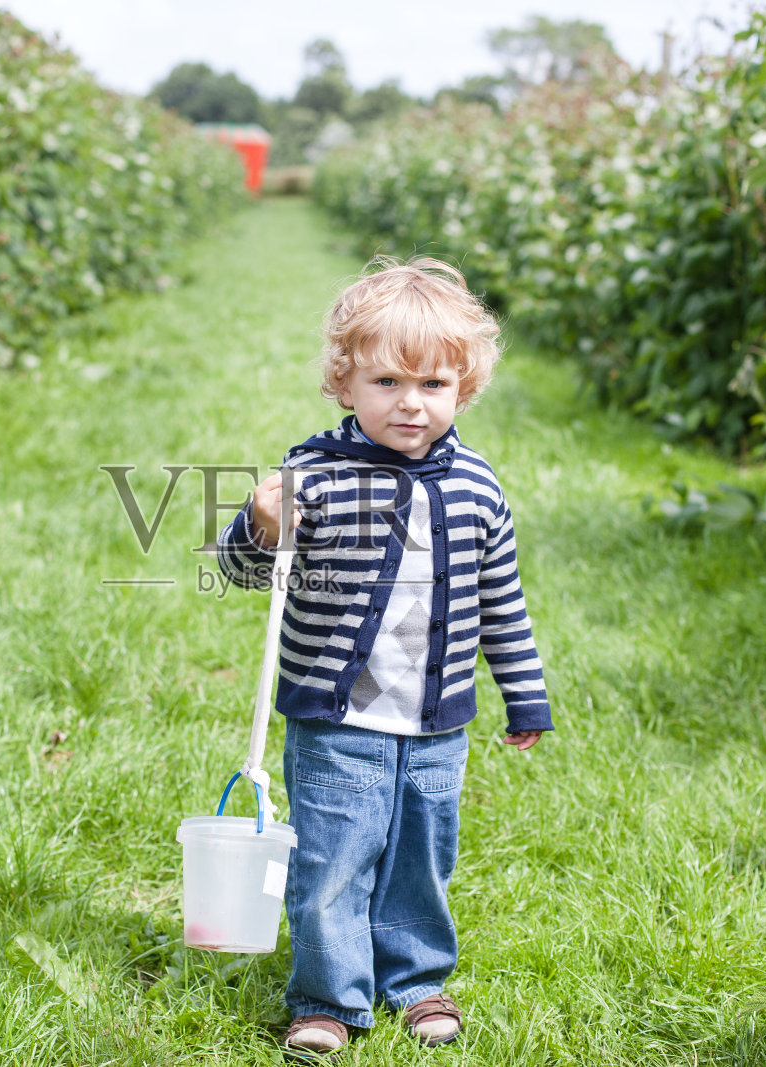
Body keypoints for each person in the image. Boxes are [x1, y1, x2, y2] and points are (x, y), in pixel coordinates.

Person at [214, 257, 552, 1057]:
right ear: (344, 383)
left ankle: (417, 978)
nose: (411, 403)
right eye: (388, 382)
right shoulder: (316, 478)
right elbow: (243, 572)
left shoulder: (477, 486)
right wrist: (261, 524)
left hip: (436, 726)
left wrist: (524, 695)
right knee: (334, 856)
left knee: (419, 854)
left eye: (433, 385)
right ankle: (329, 995)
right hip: (337, 716)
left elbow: (502, 601)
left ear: (462, 389)